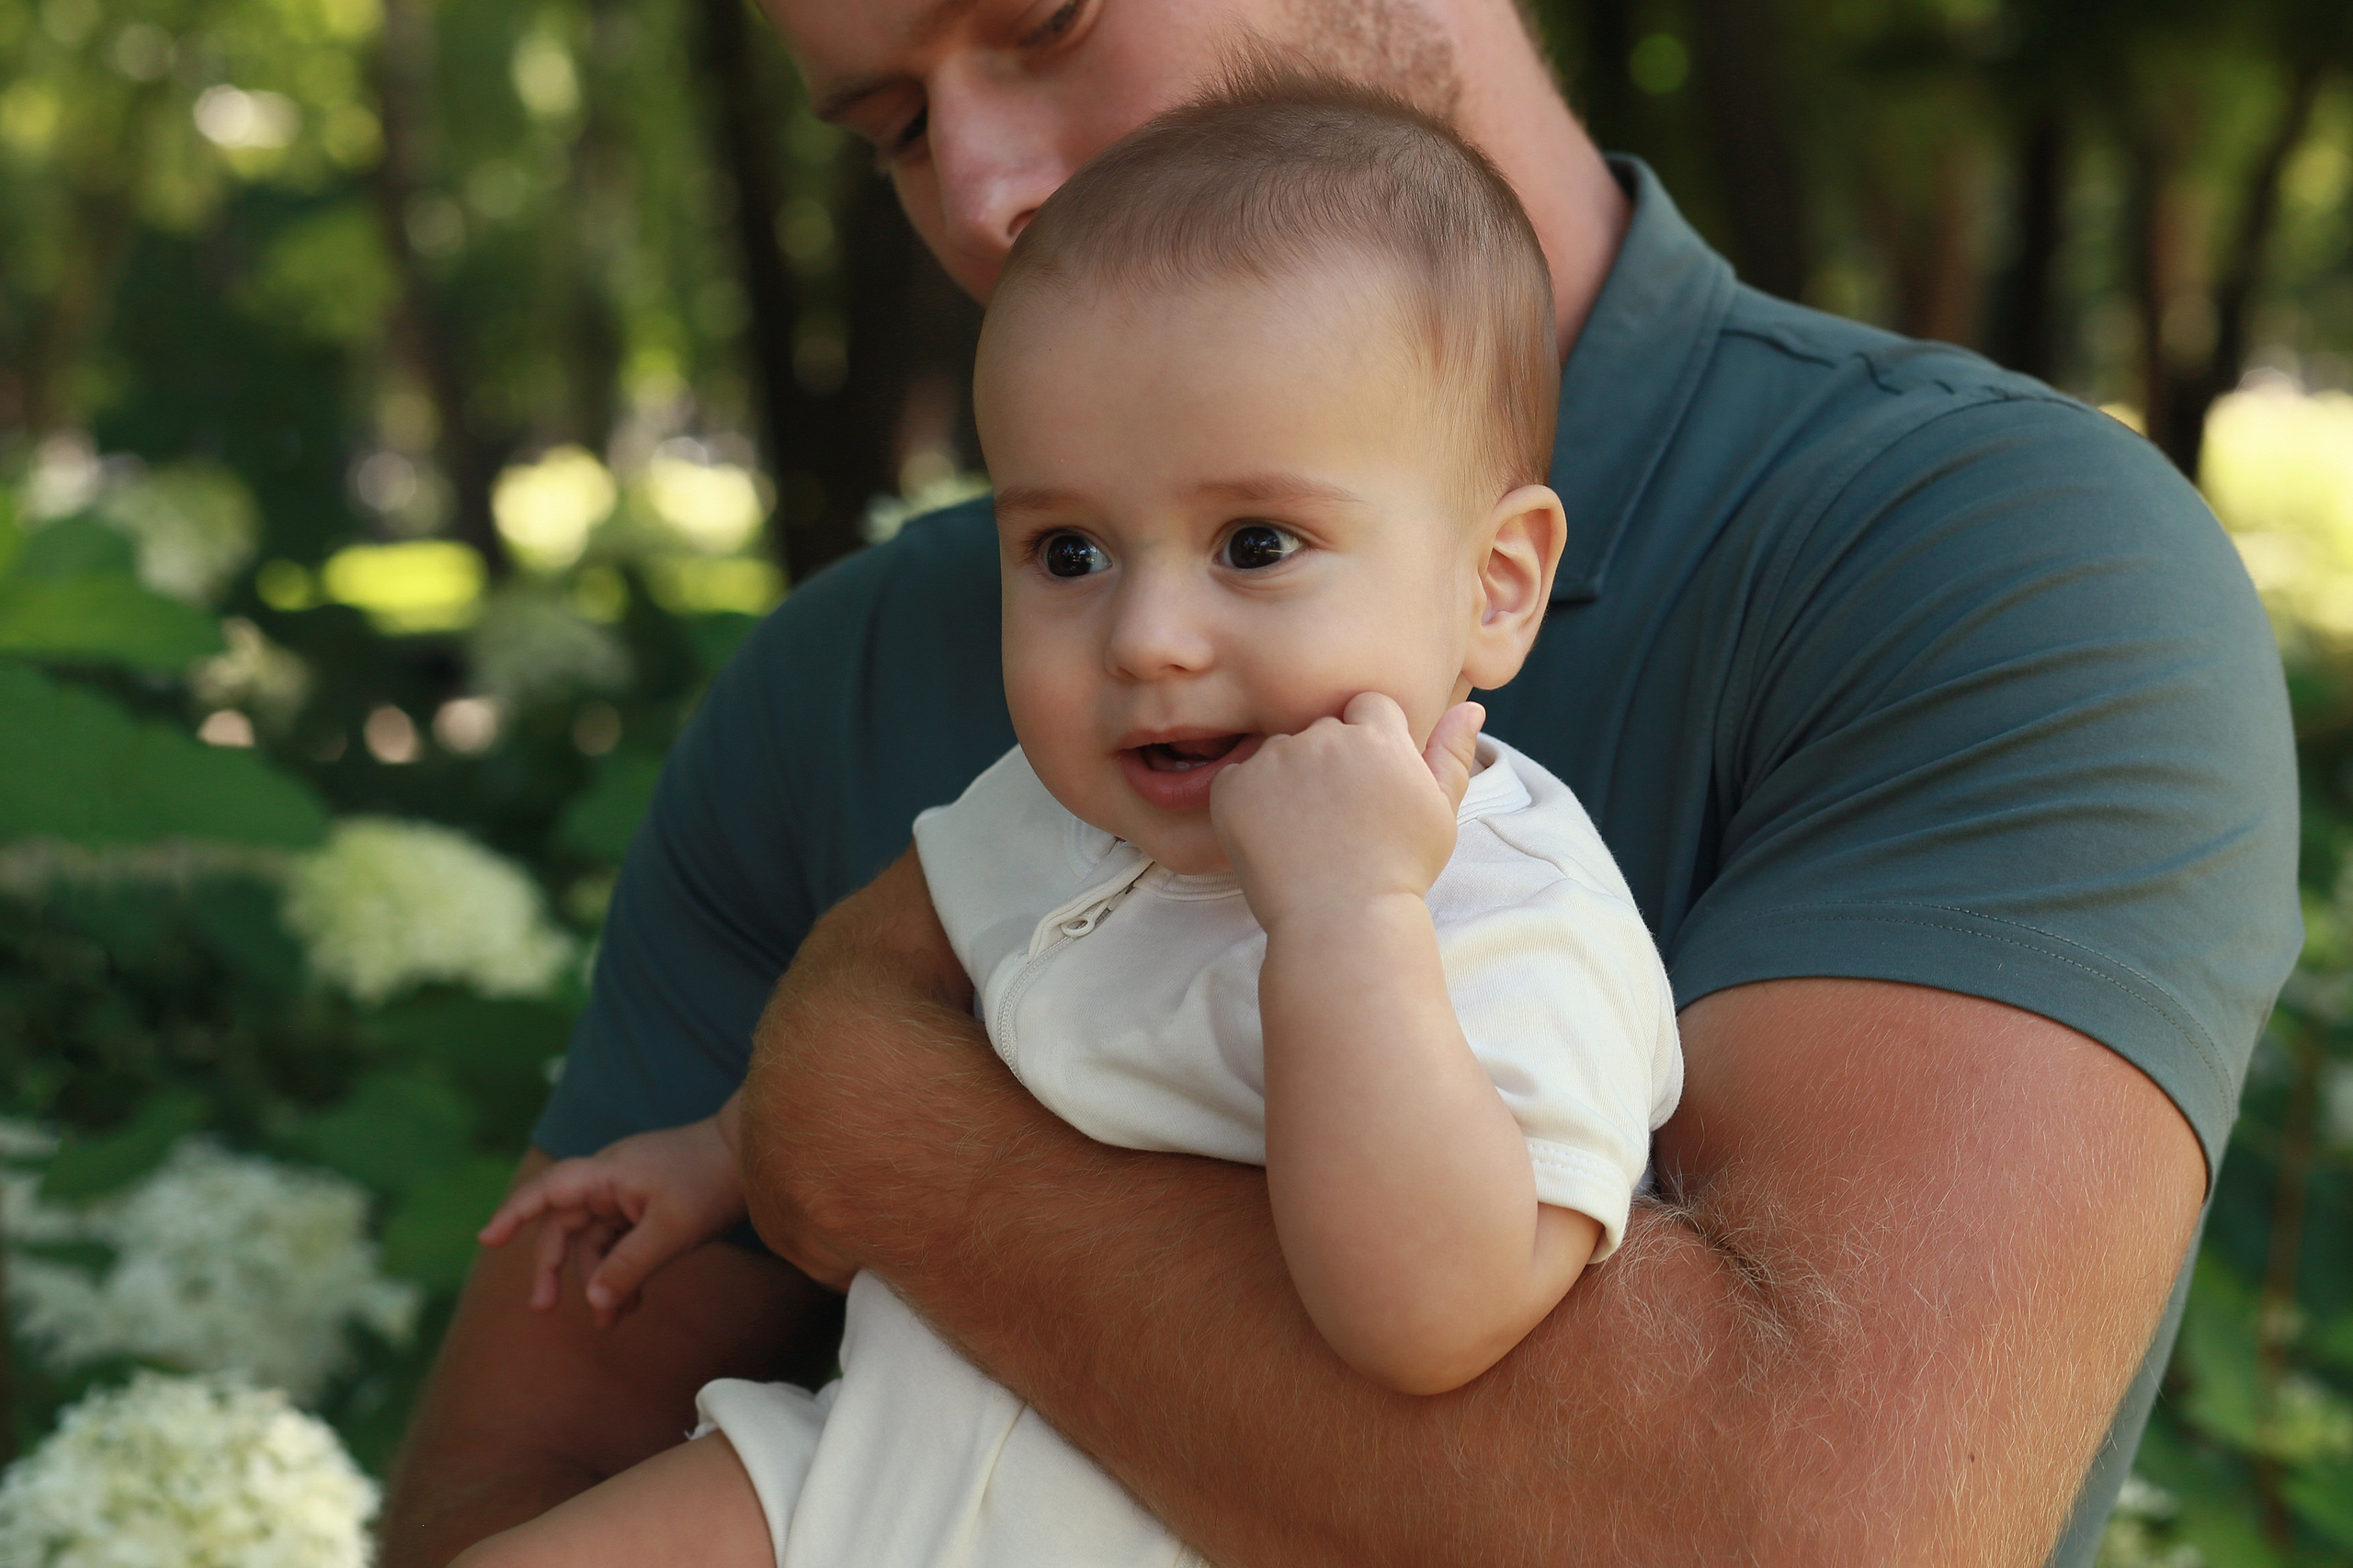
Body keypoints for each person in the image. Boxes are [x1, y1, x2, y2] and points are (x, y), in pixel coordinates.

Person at [379, 3, 2302, 1564]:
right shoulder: (862, 671)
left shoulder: (1973, 562)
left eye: (1045, 21)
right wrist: (738, 1142)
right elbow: (508, 1475)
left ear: (1500, 581)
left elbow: (1778, 1535)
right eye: (889, 125)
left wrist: (874, 1125)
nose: (980, 192)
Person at [451, 85, 1682, 1568]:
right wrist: (716, 1153)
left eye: (1257, 544)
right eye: (1069, 551)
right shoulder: (1060, 812)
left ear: (1497, 584)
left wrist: (1348, 915)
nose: (1147, 636)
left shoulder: (1515, 912)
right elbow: (909, 987)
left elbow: (1431, 1315)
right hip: (878, 1470)